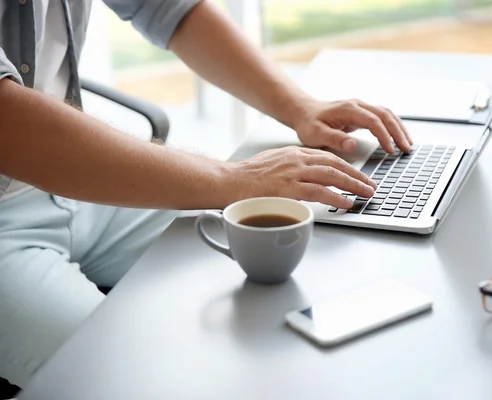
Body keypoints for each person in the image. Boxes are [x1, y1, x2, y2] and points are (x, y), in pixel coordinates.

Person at [0, 0, 412, 388]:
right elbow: (9, 125)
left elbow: (170, 9)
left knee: (279, 269)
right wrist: (235, 178)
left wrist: (299, 106)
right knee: (125, 374)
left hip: (85, 187)